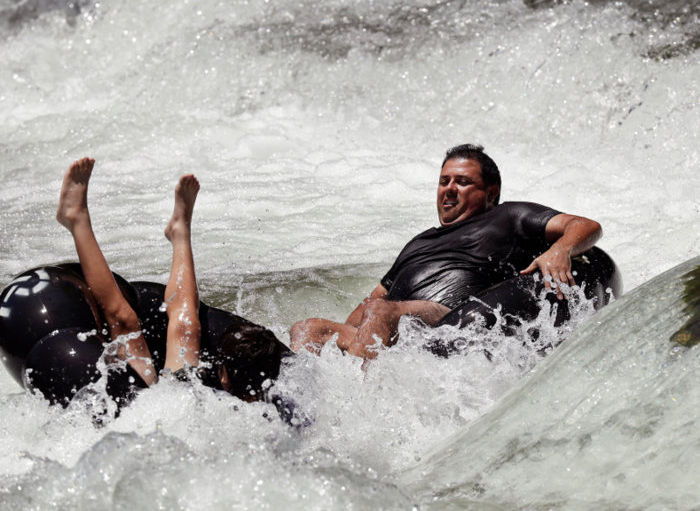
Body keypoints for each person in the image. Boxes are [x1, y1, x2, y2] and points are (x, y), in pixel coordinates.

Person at [290, 144, 603, 361]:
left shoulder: (509, 216)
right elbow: (372, 301)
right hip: (387, 323)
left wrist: (560, 250)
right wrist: (351, 334)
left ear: (490, 193)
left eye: (463, 182)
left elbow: (585, 225)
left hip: (451, 318)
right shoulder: (418, 242)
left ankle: (360, 408)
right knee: (309, 328)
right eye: (444, 181)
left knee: (382, 312)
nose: (449, 189)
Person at [56, 157, 287, 403]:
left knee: (123, 320)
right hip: (191, 405)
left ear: (222, 374)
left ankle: (76, 218)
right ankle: (179, 231)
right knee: (186, 323)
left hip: (162, 417)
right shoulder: (280, 409)